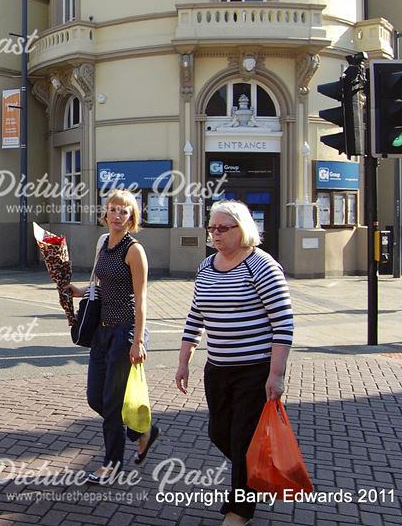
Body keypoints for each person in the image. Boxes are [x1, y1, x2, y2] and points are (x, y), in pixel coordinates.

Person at [175, 200, 294, 526]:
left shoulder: (262, 265)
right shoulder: (206, 266)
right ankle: (259, 472)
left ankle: (239, 511)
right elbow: (195, 315)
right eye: (212, 228)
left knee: (242, 439)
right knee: (219, 432)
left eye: (222, 228)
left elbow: (283, 323)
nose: (215, 234)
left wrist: (276, 374)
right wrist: (184, 361)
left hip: (254, 370)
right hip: (218, 368)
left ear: (242, 229)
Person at [69, 189, 160, 483]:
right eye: (113, 209)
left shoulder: (134, 250)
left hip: (125, 332)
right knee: (96, 397)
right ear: (105, 213)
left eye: (124, 211)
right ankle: (142, 431)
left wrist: (138, 341)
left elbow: (142, 298)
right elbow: (99, 284)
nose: (118, 215)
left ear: (132, 216)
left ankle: (112, 464)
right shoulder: (103, 243)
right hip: (102, 330)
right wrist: (79, 291)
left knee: (111, 402)